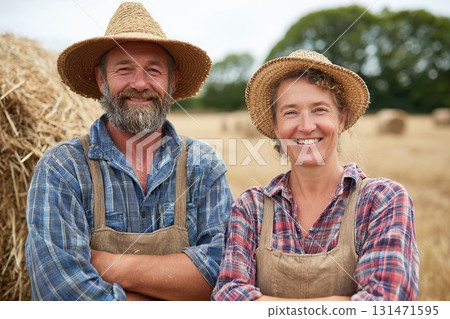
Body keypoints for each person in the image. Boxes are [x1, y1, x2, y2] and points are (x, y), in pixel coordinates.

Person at [25, 2, 234, 301]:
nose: (139, 83)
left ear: (171, 82)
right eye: (124, 69)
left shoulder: (204, 165)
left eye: (153, 70)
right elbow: (62, 294)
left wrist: (106, 264)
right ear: (102, 80)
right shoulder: (62, 168)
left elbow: (225, 276)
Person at [212, 50, 419, 301]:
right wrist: (337, 302)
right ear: (275, 126)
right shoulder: (251, 207)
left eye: (320, 110)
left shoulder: (382, 201)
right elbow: (227, 296)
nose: (307, 125)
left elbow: (385, 303)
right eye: (290, 112)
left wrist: (260, 304)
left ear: (341, 119)